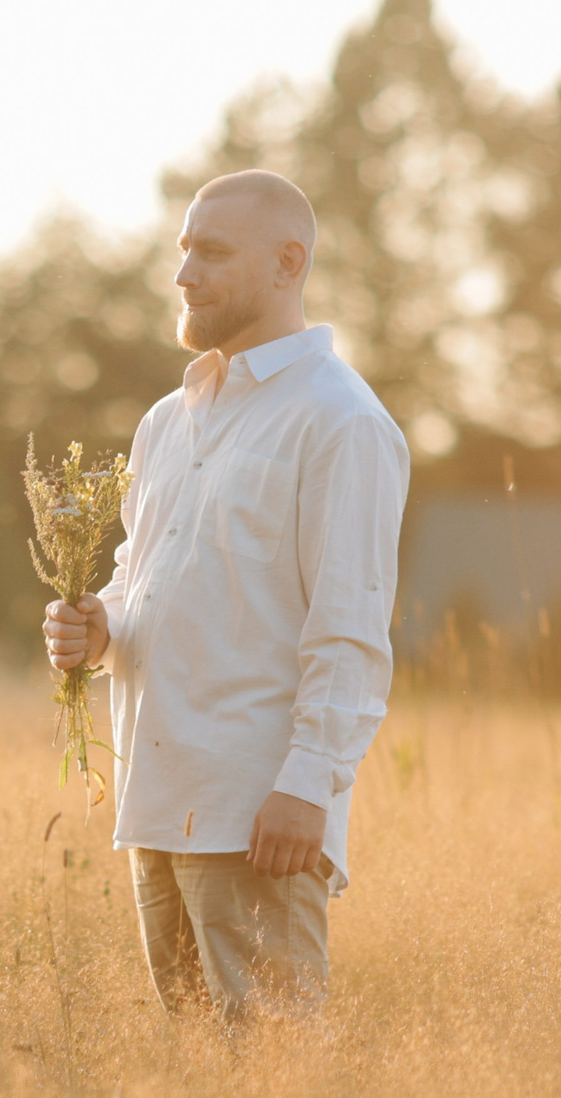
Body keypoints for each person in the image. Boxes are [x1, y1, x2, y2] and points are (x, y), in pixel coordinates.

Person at [44, 170, 408, 1019]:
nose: (183, 275)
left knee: (273, 1071)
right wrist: (100, 627)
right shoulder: (168, 420)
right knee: (199, 1084)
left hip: (257, 814)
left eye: (211, 253)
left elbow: (349, 628)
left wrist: (308, 785)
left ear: (289, 263)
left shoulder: (340, 420)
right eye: (183, 251)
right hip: (158, 802)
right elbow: (146, 579)